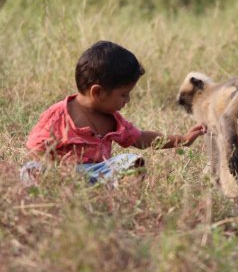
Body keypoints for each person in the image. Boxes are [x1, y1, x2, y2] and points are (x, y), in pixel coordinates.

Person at [20, 41, 207, 185]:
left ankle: (123, 198)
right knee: (31, 169)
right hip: (62, 176)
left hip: (100, 174)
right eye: (123, 94)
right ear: (97, 92)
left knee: (132, 161)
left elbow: (142, 139)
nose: (128, 100)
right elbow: (34, 148)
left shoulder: (114, 121)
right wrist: (59, 171)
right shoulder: (59, 115)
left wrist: (183, 139)